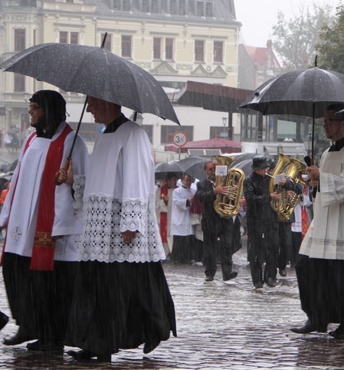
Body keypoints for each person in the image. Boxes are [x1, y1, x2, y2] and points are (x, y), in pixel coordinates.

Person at [65, 96, 176, 362]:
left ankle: (152, 328)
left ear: (107, 102)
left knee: (128, 286)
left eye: (91, 103)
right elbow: (99, 178)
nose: (88, 108)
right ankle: (96, 343)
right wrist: (74, 180)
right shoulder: (104, 135)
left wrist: (131, 222)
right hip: (100, 227)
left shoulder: (133, 134)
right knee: (99, 286)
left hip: (122, 226)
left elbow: (136, 178)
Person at [0, 90, 88, 352]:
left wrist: (71, 180)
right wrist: (6, 215)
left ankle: (51, 336)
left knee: (48, 283)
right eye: (30, 107)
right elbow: (16, 181)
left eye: (36, 107)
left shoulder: (73, 142)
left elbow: (85, 184)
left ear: (49, 110)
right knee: (15, 270)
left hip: (51, 224)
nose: (31, 112)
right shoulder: (29, 140)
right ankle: (28, 323)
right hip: (21, 222)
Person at [291, 104, 344, 341]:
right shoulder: (327, 153)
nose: (325, 125)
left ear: (343, 124)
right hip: (325, 220)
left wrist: (322, 178)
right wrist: (313, 180)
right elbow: (325, 187)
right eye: (324, 121)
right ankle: (316, 317)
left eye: (329, 121)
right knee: (308, 267)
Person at [195, 160, 237, 281]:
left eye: (214, 168)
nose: (213, 171)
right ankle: (210, 273)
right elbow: (201, 197)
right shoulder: (201, 184)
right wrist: (214, 192)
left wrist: (237, 200)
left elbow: (233, 196)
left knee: (226, 246)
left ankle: (227, 272)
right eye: (210, 169)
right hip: (210, 220)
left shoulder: (227, 183)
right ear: (205, 171)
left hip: (224, 219)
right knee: (210, 248)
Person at [243, 157, 280, 288]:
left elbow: (287, 187)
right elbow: (251, 198)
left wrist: (286, 183)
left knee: (274, 247)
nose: (266, 170)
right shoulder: (248, 181)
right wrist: (268, 197)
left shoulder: (270, 179)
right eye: (263, 168)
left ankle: (270, 276)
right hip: (255, 219)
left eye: (266, 168)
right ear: (256, 169)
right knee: (256, 250)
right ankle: (257, 279)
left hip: (270, 218)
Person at [171, 174, 197, 264]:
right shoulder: (177, 191)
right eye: (187, 180)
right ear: (182, 180)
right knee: (179, 239)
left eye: (190, 180)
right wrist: (188, 201)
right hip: (179, 217)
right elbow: (177, 202)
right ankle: (178, 257)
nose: (188, 182)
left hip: (189, 218)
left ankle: (188, 257)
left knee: (188, 239)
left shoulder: (193, 191)